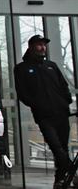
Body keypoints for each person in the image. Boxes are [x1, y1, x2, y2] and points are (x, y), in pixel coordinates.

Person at [15, 35, 73, 188]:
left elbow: (63, 85)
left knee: (64, 148)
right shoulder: (22, 68)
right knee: (57, 149)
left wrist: (67, 100)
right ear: (31, 47)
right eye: (39, 45)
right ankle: (72, 172)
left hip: (61, 113)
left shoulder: (51, 65)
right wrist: (37, 105)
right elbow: (22, 93)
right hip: (44, 117)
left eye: (44, 45)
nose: (43, 48)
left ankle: (60, 181)